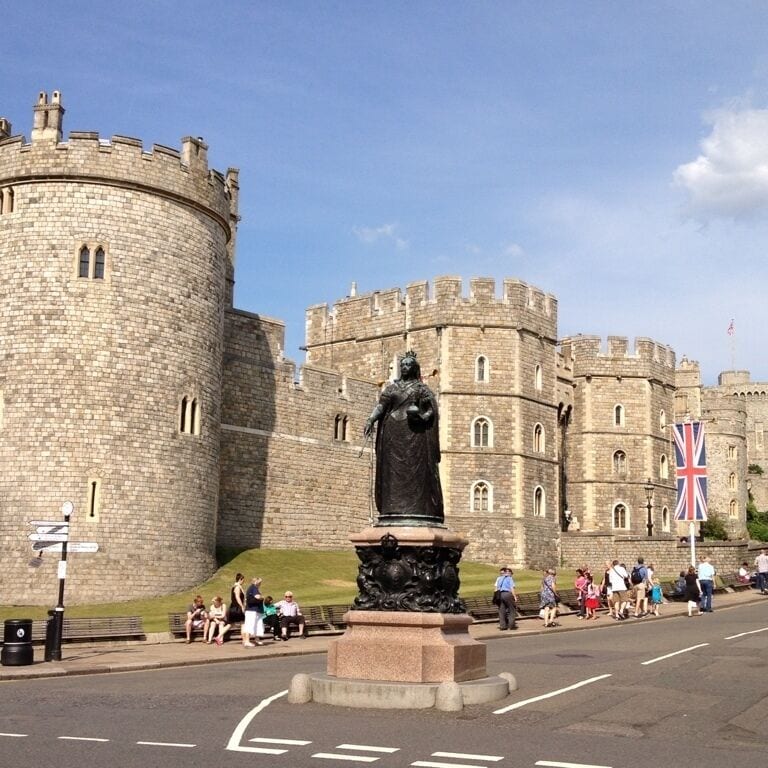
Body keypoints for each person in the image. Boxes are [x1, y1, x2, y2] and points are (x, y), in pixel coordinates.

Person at [363, 351, 443, 526]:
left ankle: (418, 509)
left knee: (416, 472)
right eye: (403, 365)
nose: (405, 368)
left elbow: (431, 411)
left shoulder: (422, 389)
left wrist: (422, 417)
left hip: (415, 435)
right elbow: (381, 407)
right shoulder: (392, 389)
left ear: (414, 368)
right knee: (391, 472)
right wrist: (371, 419)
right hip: (393, 432)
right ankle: (392, 509)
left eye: (408, 365)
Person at [243, 577, 265, 647]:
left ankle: (257, 639)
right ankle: (246, 641)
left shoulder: (253, 588)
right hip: (251, 610)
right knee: (250, 625)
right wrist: (262, 597)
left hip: (255, 610)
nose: (260, 584)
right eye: (259, 583)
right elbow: (257, 597)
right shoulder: (253, 588)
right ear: (256, 582)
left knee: (257, 625)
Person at [494, 566, 518, 631]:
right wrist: (515, 596)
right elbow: (512, 588)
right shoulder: (509, 578)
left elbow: (496, 588)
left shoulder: (499, 578)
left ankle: (502, 626)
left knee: (501, 611)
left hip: (500, 594)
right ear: (506, 572)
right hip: (508, 594)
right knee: (512, 609)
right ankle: (511, 625)